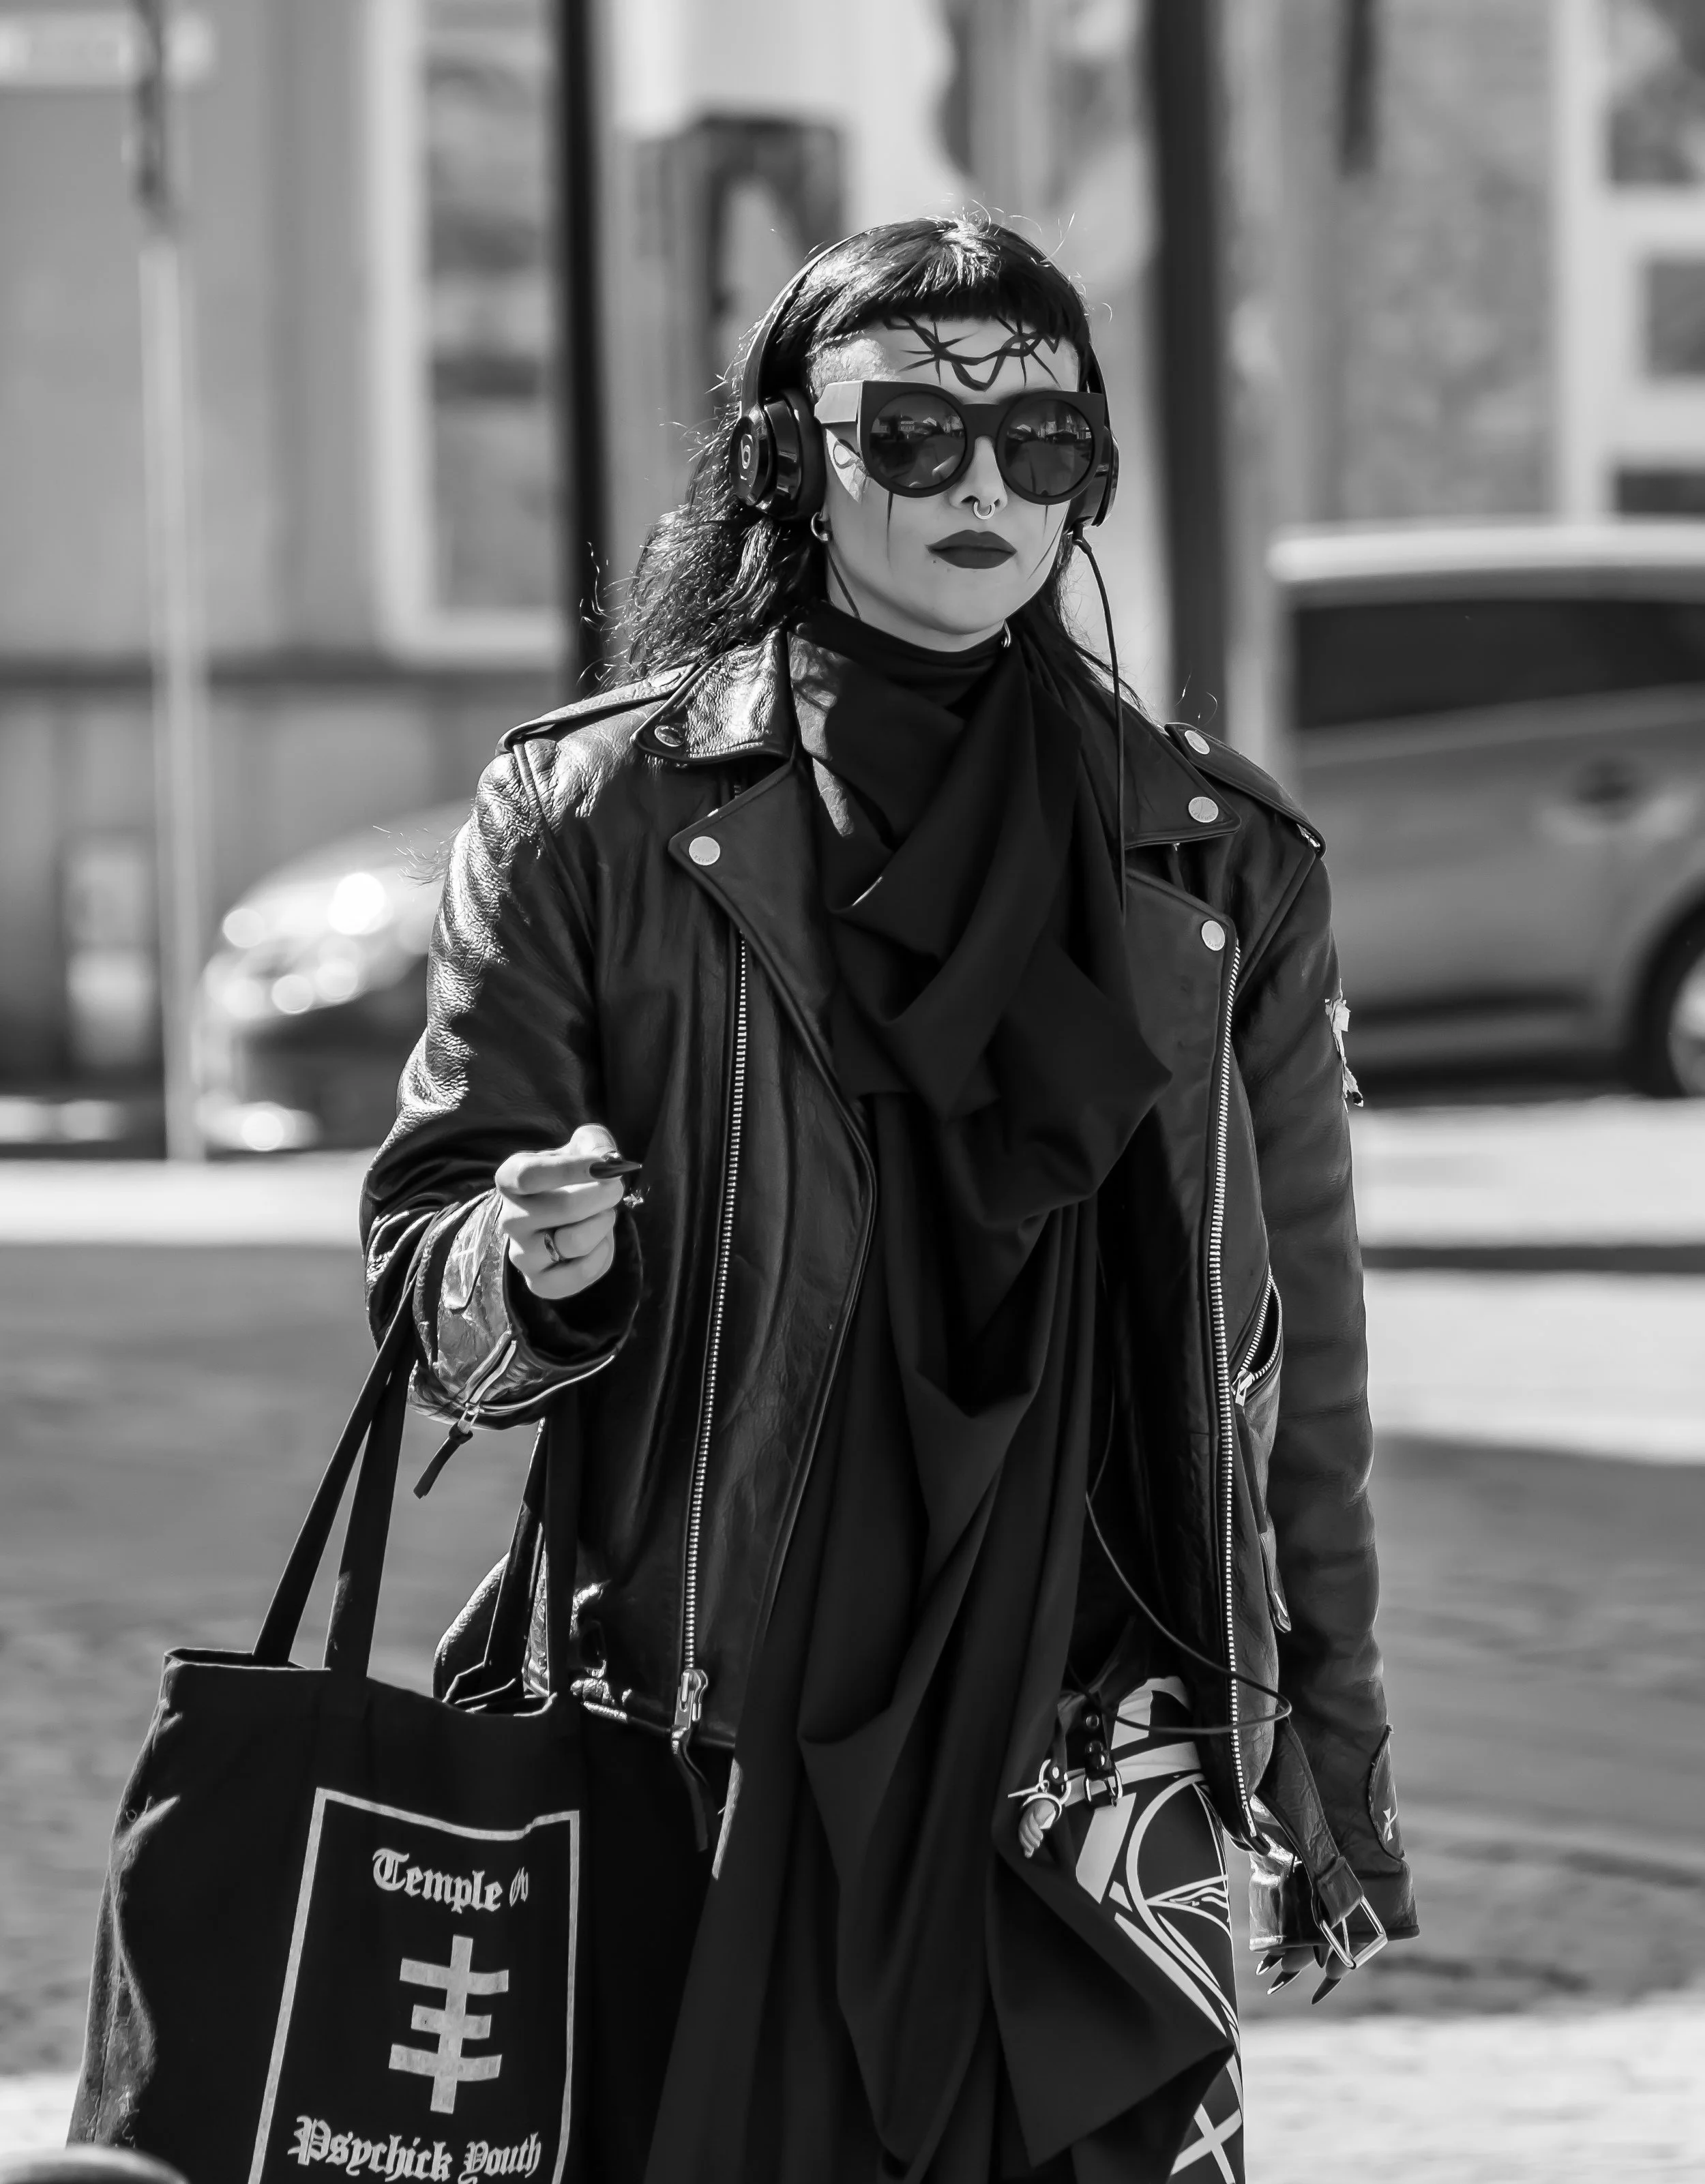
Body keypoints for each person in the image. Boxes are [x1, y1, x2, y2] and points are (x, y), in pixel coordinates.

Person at [361, 214, 1417, 2184]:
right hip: (709, 1697)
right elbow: (431, 1273)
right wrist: (532, 1258)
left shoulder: (1214, 852)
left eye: (1043, 445)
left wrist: (1327, 1758)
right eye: (914, 432)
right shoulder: (594, 817)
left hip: (1097, 1720)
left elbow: (1305, 1364)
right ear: (789, 457)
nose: (986, 487)